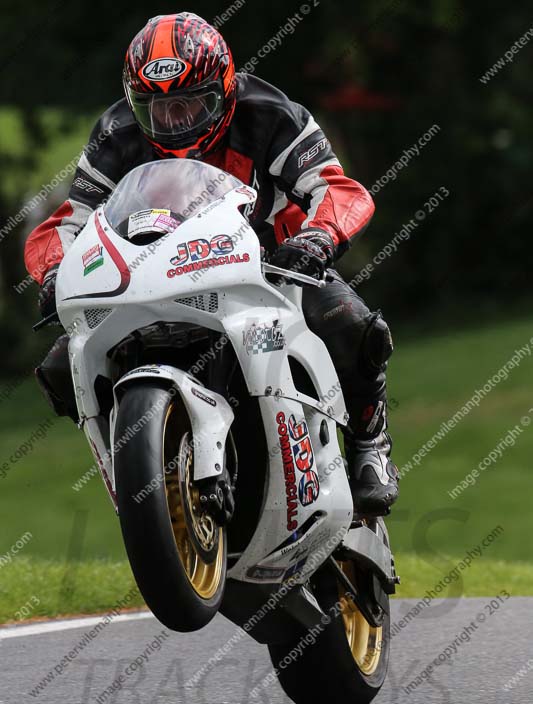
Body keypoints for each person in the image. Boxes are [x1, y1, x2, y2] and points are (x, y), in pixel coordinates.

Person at [24, 12, 399, 515]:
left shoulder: (271, 114)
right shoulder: (115, 133)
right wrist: (54, 271)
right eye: (158, 110)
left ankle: (370, 442)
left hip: (272, 267)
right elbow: (68, 222)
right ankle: (141, 462)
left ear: (223, 89)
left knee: (351, 322)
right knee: (58, 364)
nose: (175, 124)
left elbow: (338, 189)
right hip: (153, 275)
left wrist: (315, 238)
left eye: (190, 105)